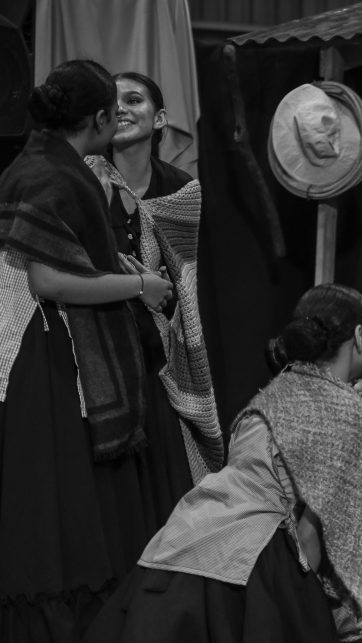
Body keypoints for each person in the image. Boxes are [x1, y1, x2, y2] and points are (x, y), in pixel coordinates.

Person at [86, 284, 362, 642]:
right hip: (250, 562)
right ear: (359, 337)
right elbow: (310, 531)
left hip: (183, 542)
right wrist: (305, 607)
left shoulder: (283, 387)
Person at [0, 60, 179, 641]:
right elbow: (49, 280)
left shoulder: (40, 160)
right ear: (99, 118)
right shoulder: (55, 173)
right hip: (48, 348)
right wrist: (139, 284)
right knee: (62, 496)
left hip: (38, 342)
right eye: (114, 108)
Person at [87, 71, 221, 482]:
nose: (121, 109)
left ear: (160, 118)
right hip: (98, 346)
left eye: (134, 100)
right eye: (113, 102)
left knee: (166, 474)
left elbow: (187, 287)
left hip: (158, 354)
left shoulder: (181, 190)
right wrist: (139, 284)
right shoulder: (85, 180)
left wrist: (162, 292)